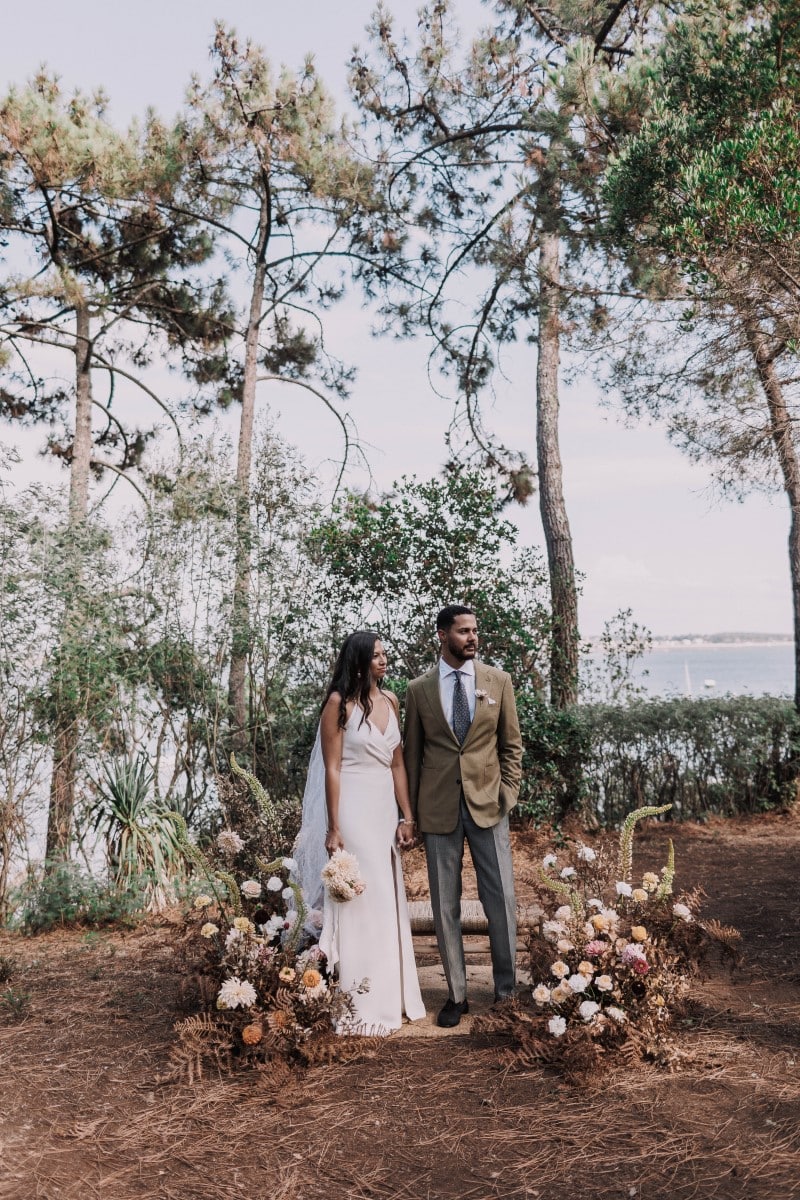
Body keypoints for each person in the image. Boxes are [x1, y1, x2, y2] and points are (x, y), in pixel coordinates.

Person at [293, 631, 425, 1035]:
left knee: (386, 897)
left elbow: (398, 764)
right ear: (358, 661)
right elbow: (332, 768)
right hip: (351, 807)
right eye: (376, 656)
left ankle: (393, 994)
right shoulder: (337, 705)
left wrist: (407, 816)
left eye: (385, 655)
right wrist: (333, 826)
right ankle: (359, 999)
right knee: (359, 899)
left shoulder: (391, 701)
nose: (384, 661)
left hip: (383, 808)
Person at [403, 605, 523, 1027]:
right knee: (445, 904)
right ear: (442, 635)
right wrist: (412, 815)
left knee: (501, 901)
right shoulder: (418, 690)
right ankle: (456, 994)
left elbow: (511, 746)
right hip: (438, 809)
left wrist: (507, 794)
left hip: (489, 805)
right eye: (463, 631)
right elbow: (413, 755)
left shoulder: (498, 681)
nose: (473, 637)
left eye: (475, 630)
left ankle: (506, 993)